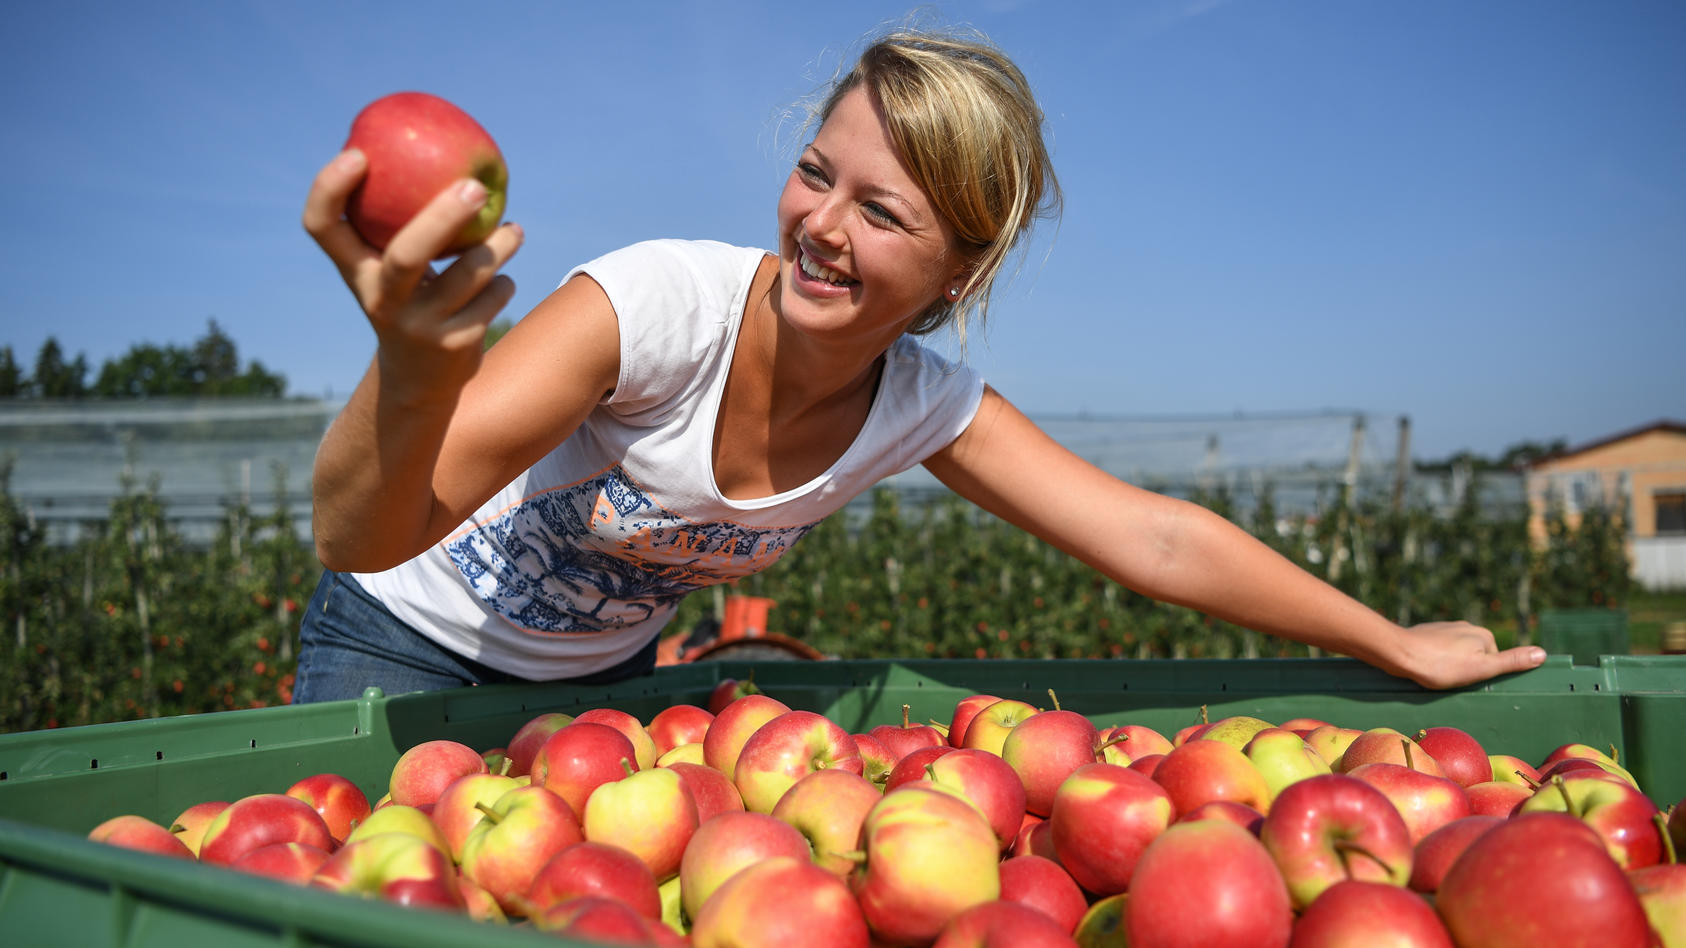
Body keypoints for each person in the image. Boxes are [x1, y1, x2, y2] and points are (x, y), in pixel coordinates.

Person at [294, 26, 1545, 704]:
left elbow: (1155, 542)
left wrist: (1391, 641)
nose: (823, 226)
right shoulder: (655, 309)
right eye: (817, 175)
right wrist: (410, 370)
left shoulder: (920, 406)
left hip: (599, 684)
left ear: (958, 274)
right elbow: (363, 534)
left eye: (883, 215)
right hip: (399, 649)